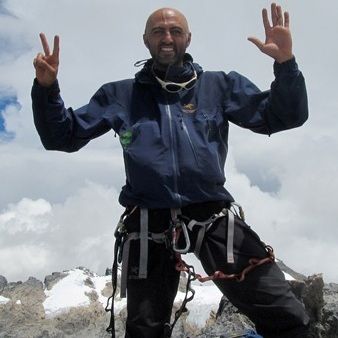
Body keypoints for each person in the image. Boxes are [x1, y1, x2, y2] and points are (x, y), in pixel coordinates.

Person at [31, 3, 311, 338]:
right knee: (145, 330)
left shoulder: (219, 86)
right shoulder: (119, 95)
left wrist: (285, 65)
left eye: (175, 31)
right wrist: (47, 90)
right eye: (159, 31)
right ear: (145, 40)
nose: (167, 37)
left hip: (211, 215)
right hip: (148, 221)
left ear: (188, 38)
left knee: (285, 314)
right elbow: (62, 136)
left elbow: (283, 117)